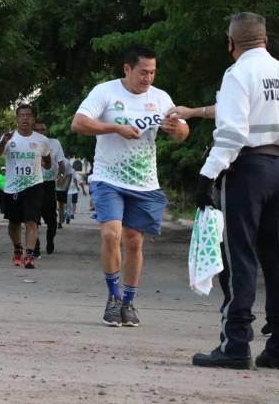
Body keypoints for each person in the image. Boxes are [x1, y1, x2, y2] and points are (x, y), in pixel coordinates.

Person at [167, 34, 279, 341]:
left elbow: (232, 132)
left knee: (240, 258)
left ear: (231, 42)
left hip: (248, 170)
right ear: (263, 40)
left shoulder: (238, 72)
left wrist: (207, 175)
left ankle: (236, 344)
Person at [71, 45, 189, 327]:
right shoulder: (106, 92)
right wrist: (114, 128)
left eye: (152, 72)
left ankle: (129, 301)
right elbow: (79, 123)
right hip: (108, 178)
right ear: (127, 69)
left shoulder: (160, 98)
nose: (148, 78)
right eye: (142, 72)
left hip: (144, 181)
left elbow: (183, 132)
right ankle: (113, 298)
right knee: (111, 235)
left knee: (134, 241)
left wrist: (177, 130)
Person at [0, 105, 52, 269]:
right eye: (22, 115)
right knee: (14, 222)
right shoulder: (9, 138)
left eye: (28, 115)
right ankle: (18, 248)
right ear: (17, 119)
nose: (25, 118)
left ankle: (29, 255)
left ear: (33, 119)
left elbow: (47, 158)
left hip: (34, 185)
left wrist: (46, 165)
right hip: (13, 186)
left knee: (32, 220)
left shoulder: (41, 140)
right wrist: (3, 141)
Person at [34, 122, 66, 255]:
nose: (41, 132)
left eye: (43, 129)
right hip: (32, 184)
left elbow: (61, 164)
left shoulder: (55, 143)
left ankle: (50, 240)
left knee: (52, 220)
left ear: (47, 131)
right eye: (38, 130)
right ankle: (35, 246)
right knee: (32, 218)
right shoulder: (28, 143)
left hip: (48, 184)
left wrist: (61, 176)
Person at [55, 158, 74, 229]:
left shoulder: (66, 162)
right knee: (58, 205)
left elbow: (69, 174)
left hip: (61, 188)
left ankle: (59, 221)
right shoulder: (53, 159)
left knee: (60, 206)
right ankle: (58, 220)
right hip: (55, 186)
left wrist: (67, 186)